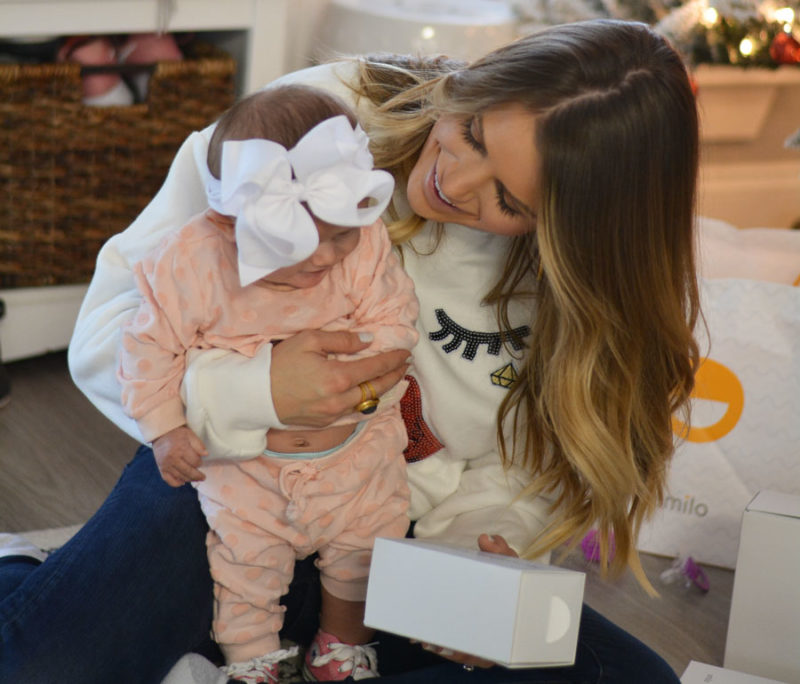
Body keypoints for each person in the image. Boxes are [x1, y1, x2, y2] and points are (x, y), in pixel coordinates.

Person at [1, 19, 697, 684]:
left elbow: (526, 471)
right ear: (473, 82)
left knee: (629, 678)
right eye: (471, 132)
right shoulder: (315, 122)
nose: (452, 184)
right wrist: (257, 392)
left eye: (509, 202)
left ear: (571, 231)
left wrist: (469, 558)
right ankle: (47, 586)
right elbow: (111, 334)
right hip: (230, 491)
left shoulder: (574, 298)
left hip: (381, 546)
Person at [117, 84, 418, 682]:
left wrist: (361, 371)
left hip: (356, 453)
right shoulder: (192, 262)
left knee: (366, 551)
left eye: (341, 234)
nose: (324, 258)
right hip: (247, 466)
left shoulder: (363, 249)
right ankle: (251, 657)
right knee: (244, 565)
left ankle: (341, 646)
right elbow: (148, 349)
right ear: (227, 223)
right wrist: (165, 430)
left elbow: (394, 318)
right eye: (295, 244)